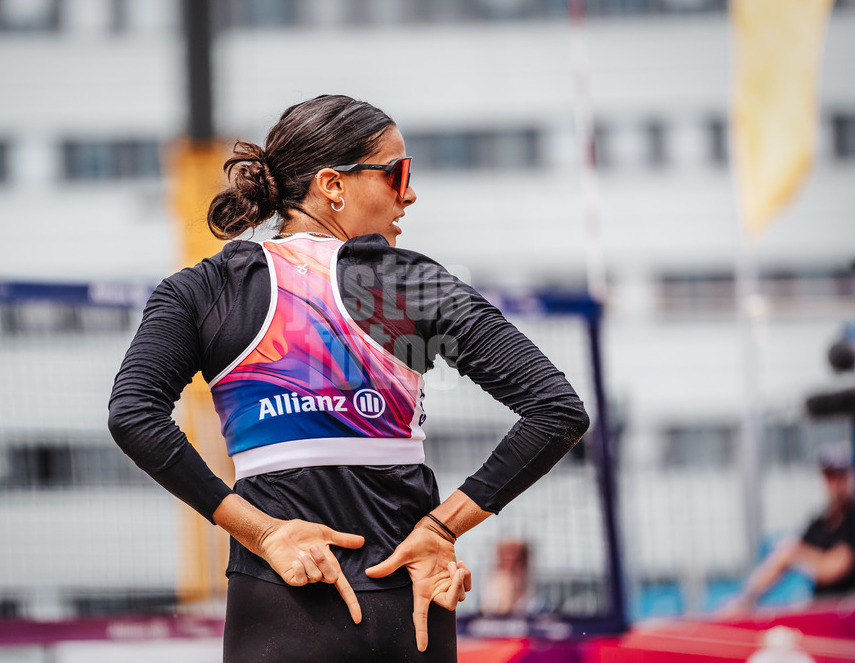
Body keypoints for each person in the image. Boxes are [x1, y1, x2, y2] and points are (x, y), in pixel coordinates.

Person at [107, 94, 590, 661]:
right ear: (332, 185)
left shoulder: (204, 288)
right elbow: (558, 411)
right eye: (396, 173)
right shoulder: (412, 282)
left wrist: (260, 533)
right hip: (409, 594)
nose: (408, 193)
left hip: (279, 590)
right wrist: (441, 529)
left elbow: (132, 416)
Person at [724, 441, 855, 615]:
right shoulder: (820, 523)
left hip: (851, 611)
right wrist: (746, 599)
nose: (834, 483)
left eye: (839, 475)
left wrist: (795, 554)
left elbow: (836, 566)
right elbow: (782, 561)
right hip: (822, 609)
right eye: (829, 475)